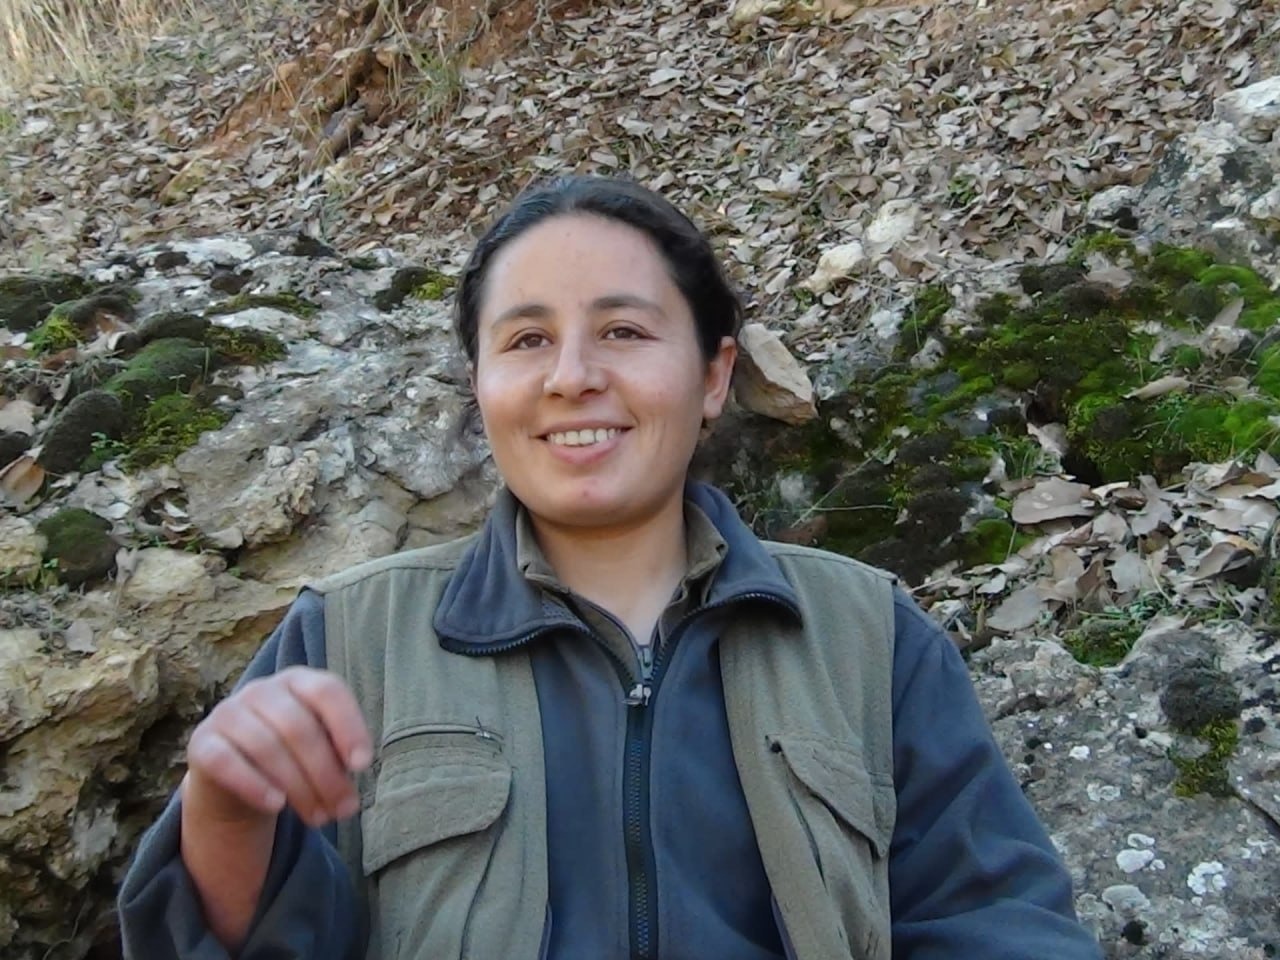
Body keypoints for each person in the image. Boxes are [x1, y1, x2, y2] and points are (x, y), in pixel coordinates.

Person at [118, 175, 1103, 960]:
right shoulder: (344, 640)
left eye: (624, 332)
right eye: (526, 339)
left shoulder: (869, 638)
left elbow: (995, 921)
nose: (571, 376)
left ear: (713, 376)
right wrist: (225, 811)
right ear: (480, 384)